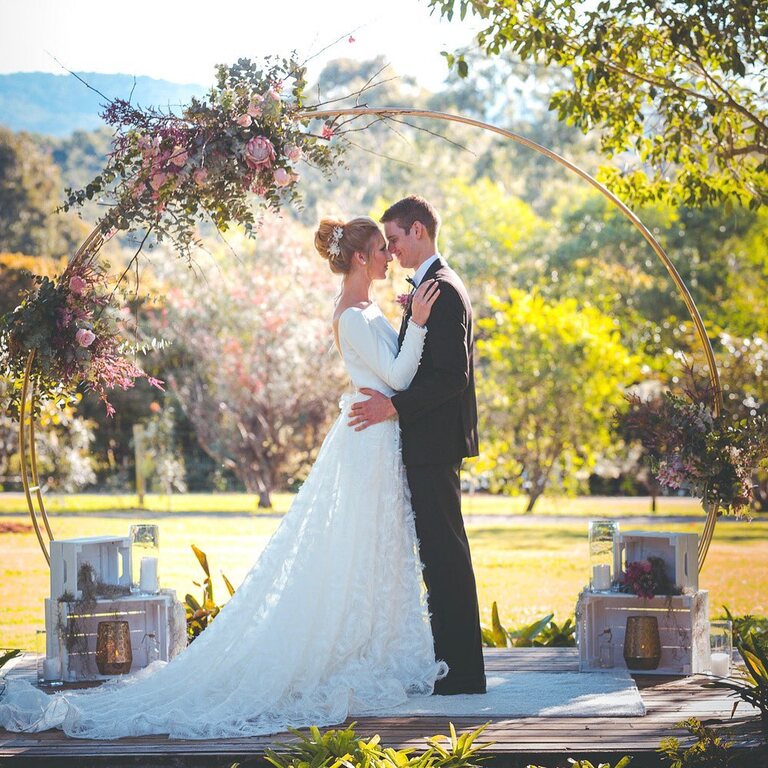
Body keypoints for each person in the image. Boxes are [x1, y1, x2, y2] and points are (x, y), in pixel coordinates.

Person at [0, 216, 447, 740]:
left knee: (374, 552)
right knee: (354, 548)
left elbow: (390, 373)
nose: (388, 255)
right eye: (379, 248)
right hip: (367, 445)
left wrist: (402, 328)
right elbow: (395, 378)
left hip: (377, 442)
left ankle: (373, 645)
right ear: (358, 258)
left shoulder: (368, 309)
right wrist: (416, 324)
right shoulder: (350, 315)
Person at [348, 196, 486, 695]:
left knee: (445, 556)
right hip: (428, 444)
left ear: (420, 231)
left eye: (397, 239)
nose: (392, 250)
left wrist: (395, 408)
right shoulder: (432, 287)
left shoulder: (442, 290)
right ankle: (454, 668)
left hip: (433, 443)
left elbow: (452, 377)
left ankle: (463, 674)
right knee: (440, 555)